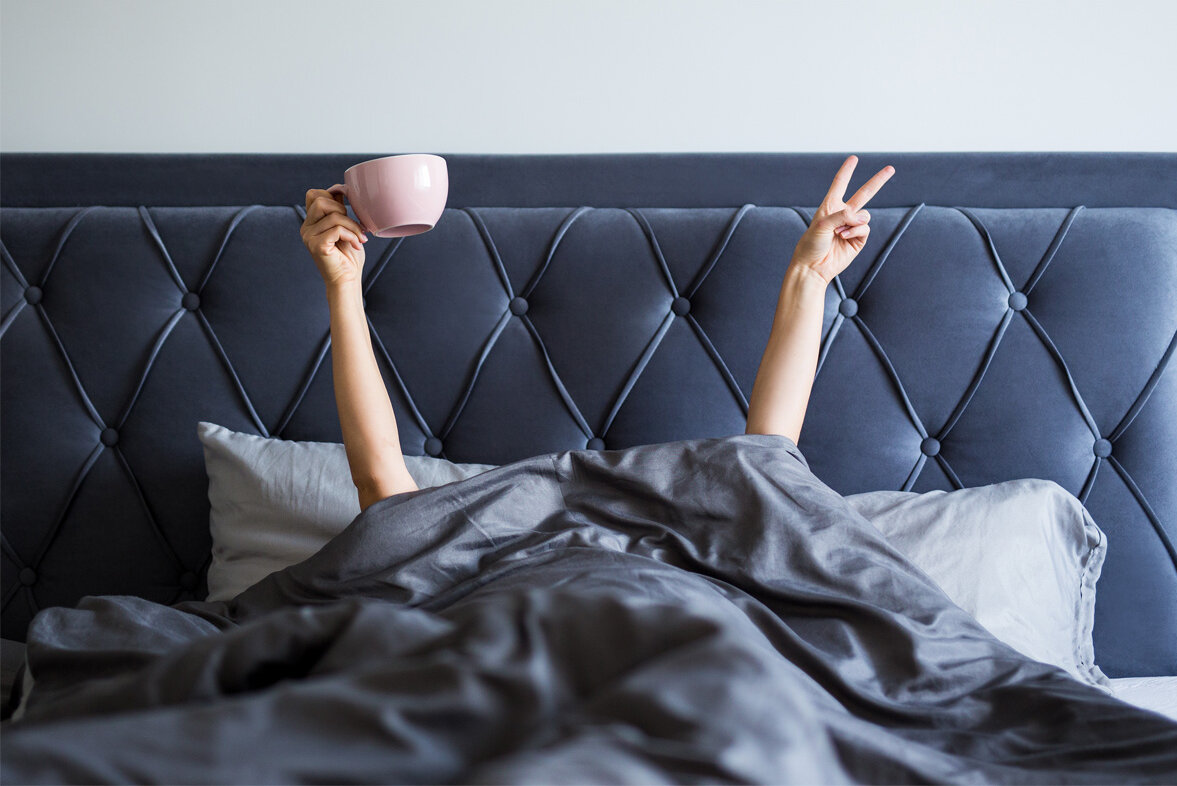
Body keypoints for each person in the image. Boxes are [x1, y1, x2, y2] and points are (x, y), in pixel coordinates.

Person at [299, 155, 895, 511]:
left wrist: (811, 277)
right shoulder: (472, 546)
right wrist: (342, 285)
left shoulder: (698, 549)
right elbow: (381, 482)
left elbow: (767, 464)